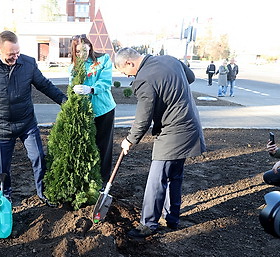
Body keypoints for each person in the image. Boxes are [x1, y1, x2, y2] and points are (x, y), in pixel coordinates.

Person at [0, 30, 67, 205]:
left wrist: (66, 102)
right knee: (2, 166)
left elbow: (45, 86)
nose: (15, 57)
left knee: (39, 157)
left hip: (27, 122)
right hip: (0, 125)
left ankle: (43, 192)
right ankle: (5, 195)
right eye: (11, 54)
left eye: (17, 53)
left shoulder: (28, 63)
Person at [114, 47, 206, 238]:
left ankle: (148, 224)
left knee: (156, 180)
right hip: (190, 125)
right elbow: (190, 77)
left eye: (125, 71)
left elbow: (143, 118)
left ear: (130, 63)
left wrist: (130, 140)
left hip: (173, 131)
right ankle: (172, 218)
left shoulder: (144, 79)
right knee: (174, 175)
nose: (126, 75)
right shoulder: (170, 59)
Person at [70, 34, 116, 185]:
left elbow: (105, 82)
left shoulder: (103, 60)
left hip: (103, 109)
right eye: (77, 51)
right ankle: (87, 178)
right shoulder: (74, 66)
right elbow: (72, 85)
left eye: (84, 49)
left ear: (89, 46)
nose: (81, 54)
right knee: (86, 145)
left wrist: (91, 89)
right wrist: (73, 89)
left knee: (103, 146)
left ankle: (103, 179)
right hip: (84, 112)